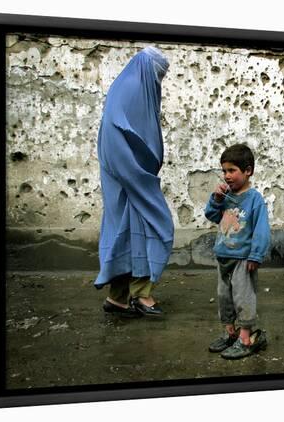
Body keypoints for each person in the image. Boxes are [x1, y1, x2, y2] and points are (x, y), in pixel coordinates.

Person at [94, 46, 173, 317]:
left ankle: (117, 298)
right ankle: (142, 295)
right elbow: (117, 134)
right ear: (148, 69)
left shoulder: (126, 86)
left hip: (125, 179)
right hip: (130, 178)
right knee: (157, 226)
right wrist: (137, 175)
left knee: (125, 235)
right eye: (158, 74)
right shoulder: (131, 88)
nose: (159, 80)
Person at [204, 144, 270, 359]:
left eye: (232, 170)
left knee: (243, 298)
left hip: (243, 259)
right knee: (224, 298)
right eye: (224, 171)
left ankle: (246, 338)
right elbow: (212, 216)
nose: (227, 176)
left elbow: (261, 230)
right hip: (224, 257)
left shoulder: (254, 199)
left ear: (248, 171)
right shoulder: (225, 196)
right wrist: (216, 200)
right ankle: (230, 334)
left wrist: (256, 255)